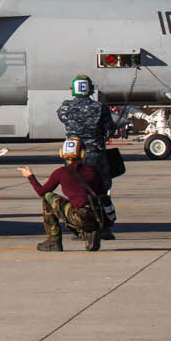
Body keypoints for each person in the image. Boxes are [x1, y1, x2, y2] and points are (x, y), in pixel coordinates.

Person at [20, 139, 106, 251]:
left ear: (62, 153)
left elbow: (41, 192)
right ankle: (89, 235)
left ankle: (53, 240)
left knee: (48, 198)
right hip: (97, 217)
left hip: (79, 215)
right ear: (83, 154)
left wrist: (30, 176)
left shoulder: (60, 172)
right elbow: (102, 192)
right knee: (76, 211)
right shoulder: (93, 170)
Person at [55, 76, 117, 235]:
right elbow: (110, 130)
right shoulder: (99, 108)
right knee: (101, 189)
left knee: (74, 190)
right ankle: (105, 226)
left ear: (73, 89)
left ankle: (77, 226)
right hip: (94, 153)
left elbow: (63, 120)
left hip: (72, 155)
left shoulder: (65, 107)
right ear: (90, 89)